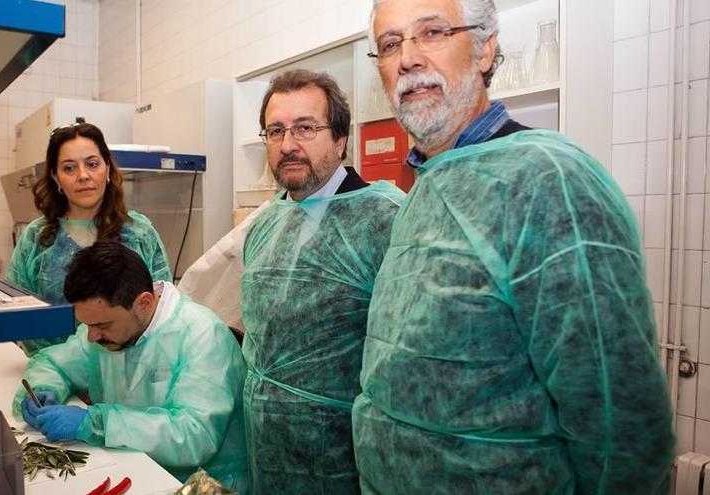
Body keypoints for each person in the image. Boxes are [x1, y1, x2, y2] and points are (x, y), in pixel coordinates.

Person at [353, 1, 676, 494]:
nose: (408, 59)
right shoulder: (428, 184)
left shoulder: (550, 181)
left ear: (485, 50)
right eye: (391, 44)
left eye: (433, 32)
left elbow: (621, 425)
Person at [240, 69, 405, 494]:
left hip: (344, 458)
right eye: (275, 131)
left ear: (340, 139)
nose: (288, 144)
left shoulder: (386, 218)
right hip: (266, 451)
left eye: (305, 128)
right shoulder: (265, 224)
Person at [13, 240, 248, 492]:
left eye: (102, 325)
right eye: (87, 324)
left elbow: (193, 435)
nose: (91, 336)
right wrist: (44, 387)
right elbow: (53, 362)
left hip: (202, 483)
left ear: (143, 303)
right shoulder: (107, 329)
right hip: (132, 467)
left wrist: (97, 423)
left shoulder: (201, 335)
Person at [7, 122, 171, 356]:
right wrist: (58, 371)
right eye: (69, 168)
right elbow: (21, 315)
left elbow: (161, 310)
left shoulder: (140, 233)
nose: (83, 176)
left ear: (107, 170)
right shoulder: (35, 238)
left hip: (130, 373)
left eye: (92, 164)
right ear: (55, 177)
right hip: (55, 373)